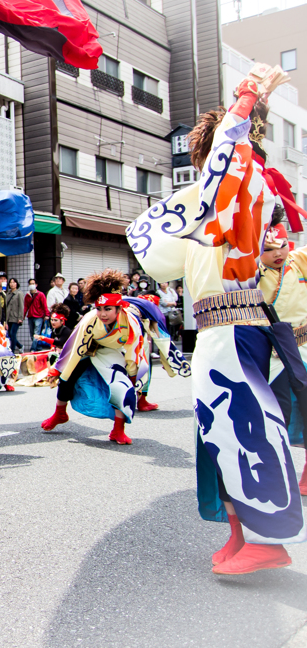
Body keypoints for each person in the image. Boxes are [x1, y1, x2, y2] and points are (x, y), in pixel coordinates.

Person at [127, 62, 305, 574]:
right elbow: (162, 257)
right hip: (213, 331)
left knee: (245, 428)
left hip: (235, 327)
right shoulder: (204, 204)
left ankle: (268, 539)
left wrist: (249, 100)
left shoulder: (243, 186)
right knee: (215, 436)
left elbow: (232, 153)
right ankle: (237, 534)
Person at [40, 270, 145, 445]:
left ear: (119, 308)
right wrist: (58, 369)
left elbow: (134, 352)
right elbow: (74, 348)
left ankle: (118, 430)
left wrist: (133, 377)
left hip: (112, 352)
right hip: (87, 349)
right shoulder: (90, 319)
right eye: (99, 309)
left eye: (108, 309)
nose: (103, 314)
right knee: (68, 376)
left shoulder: (131, 323)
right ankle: (60, 413)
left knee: (123, 386)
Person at [258, 217, 307, 495]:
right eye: (269, 249)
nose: (278, 253)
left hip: (305, 346)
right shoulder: (249, 272)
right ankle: (277, 474)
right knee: (277, 415)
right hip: (271, 353)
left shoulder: (298, 261)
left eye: (283, 245)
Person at [24, 279, 49, 349]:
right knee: (32, 333)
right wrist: (22, 316)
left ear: (36, 285)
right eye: (30, 284)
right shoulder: (27, 295)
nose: (32, 285)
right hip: (30, 316)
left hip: (39, 317)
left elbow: (44, 305)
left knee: (36, 333)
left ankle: (33, 349)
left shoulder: (40, 294)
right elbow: (26, 307)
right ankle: (38, 347)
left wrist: (47, 315)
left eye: (33, 283)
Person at [4, 278, 25, 352]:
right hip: (9, 317)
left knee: (13, 334)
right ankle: (20, 346)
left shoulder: (19, 293)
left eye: (14, 282)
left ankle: (12, 351)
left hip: (16, 317)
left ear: (16, 284)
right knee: (10, 334)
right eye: (10, 282)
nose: (12, 284)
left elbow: (21, 306)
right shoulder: (8, 293)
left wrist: (20, 317)